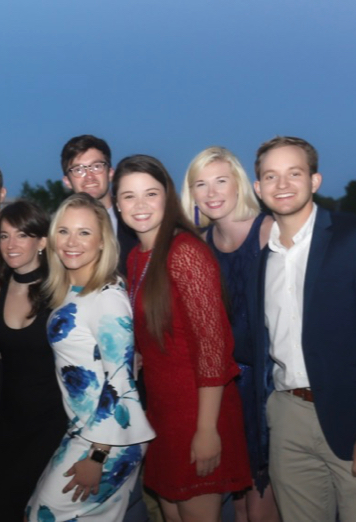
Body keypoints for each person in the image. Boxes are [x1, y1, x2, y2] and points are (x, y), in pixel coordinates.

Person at [247, 136, 356, 521]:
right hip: (288, 419)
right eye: (271, 176)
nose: (282, 185)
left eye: (294, 173)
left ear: (315, 180)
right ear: (258, 188)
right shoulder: (262, 261)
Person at [116, 155, 252, 521]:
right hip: (162, 410)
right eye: (128, 196)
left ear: (169, 198)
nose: (140, 205)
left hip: (198, 412)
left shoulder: (185, 253)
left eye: (150, 193)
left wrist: (206, 430)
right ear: (116, 204)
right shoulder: (135, 258)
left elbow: (214, 350)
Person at [27, 193, 155, 521]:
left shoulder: (107, 298)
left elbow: (121, 381)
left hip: (108, 441)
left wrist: (98, 457)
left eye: (84, 232)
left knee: (43, 514)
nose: (72, 242)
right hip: (83, 431)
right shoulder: (71, 291)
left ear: (102, 242)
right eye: (64, 231)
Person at [180, 146, 279, 522]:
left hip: (269, 385)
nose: (212, 192)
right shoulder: (200, 244)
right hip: (225, 387)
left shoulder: (269, 232)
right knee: (238, 500)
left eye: (221, 180)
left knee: (262, 501)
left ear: (240, 184)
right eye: (201, 184)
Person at [0, 201, 68, 521]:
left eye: (22, 235)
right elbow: (3, 357)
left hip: (54, 424)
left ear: (42, 241)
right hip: (9, 421)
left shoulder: (63, 291)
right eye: (4, 236)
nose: (11, 245)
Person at [60, 135, 140, 266]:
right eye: (78, 170)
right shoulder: (59, 232)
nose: (89, 177)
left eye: (96, 166)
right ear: (67, 181)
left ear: (110, 173)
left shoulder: (136, 221)